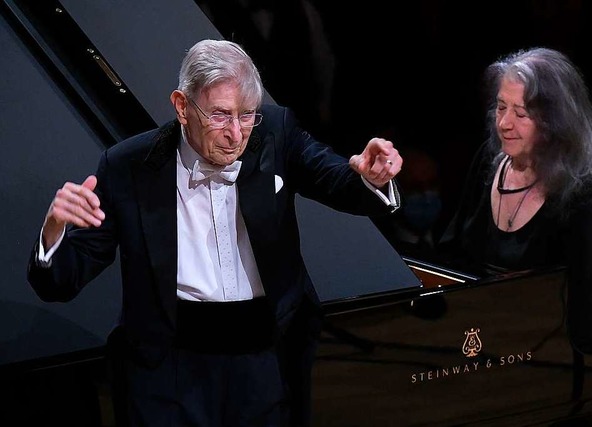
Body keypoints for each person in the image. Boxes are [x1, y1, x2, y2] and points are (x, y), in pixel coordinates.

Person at [26, 39, 403, 427]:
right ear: (182, 106)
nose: (236, 133)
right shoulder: (128, 167)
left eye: (246, 115)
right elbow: (61, 282)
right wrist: (54, 231)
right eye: (220, 116)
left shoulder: (275, 132)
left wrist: (370, 178)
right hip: (169, 367)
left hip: (267, 359)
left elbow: (335, 179)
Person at [436, 47, 592, 354]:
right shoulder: (488, 162)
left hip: (552, 348)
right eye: (500, 107)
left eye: (521, 114)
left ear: (553, 123)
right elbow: (451, 257)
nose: (505, 123)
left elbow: (585, 304)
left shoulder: (581, 192)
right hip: (482, 331)